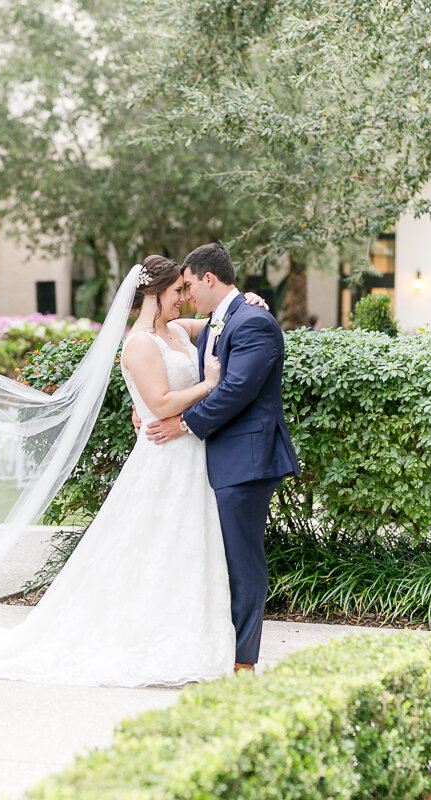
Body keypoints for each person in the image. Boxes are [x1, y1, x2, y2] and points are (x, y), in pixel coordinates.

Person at [0, 256, 267, 686]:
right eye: (177, 291)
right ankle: (146, 638)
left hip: (192, 457)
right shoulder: (140, 342)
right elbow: (160, 404)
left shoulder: (178, 331)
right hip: (164, 458)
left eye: (186, 288)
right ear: (153, 294)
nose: (184, 297)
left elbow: (222, 320)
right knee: (154, 549)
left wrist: (251, 300)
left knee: (189, 548)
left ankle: (191, 635)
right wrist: (208, 385)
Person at [144, 243, 298, 673]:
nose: (187, 294)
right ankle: (217, 652)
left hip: (245, 461)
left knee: (242, 562)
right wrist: (149, 407)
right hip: (215, 459)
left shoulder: (254, 322)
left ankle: (243, 664)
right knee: (216, 558)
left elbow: (234, 390)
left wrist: (182, 423)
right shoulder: (218, 320)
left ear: (209, 279)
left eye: (189, 285)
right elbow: (162, 345)